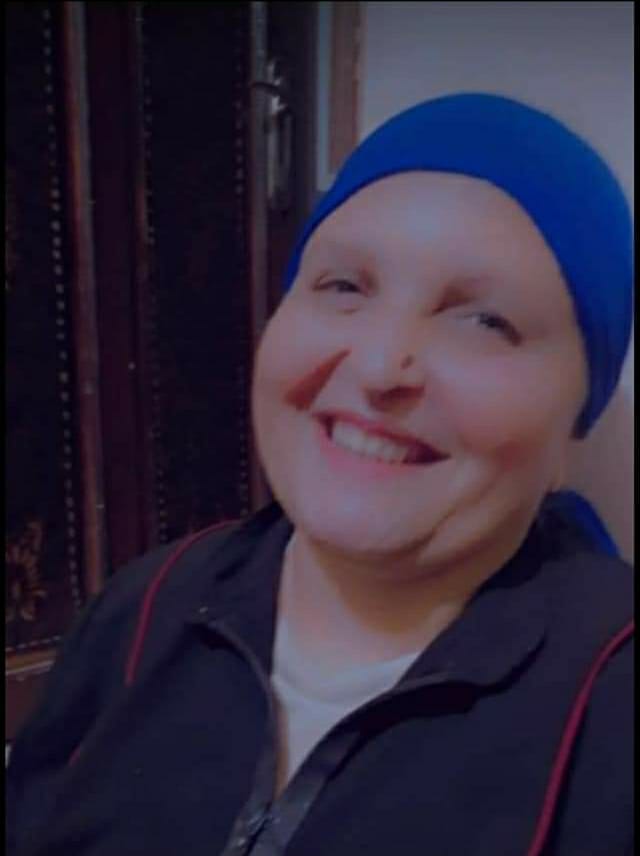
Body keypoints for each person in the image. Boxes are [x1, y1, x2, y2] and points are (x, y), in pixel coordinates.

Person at [7, 93, 633, 856]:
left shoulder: (613, 712)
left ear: (574, 430)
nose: (379, 365)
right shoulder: (144, 609)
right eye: (344, 287)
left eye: (485, 321)